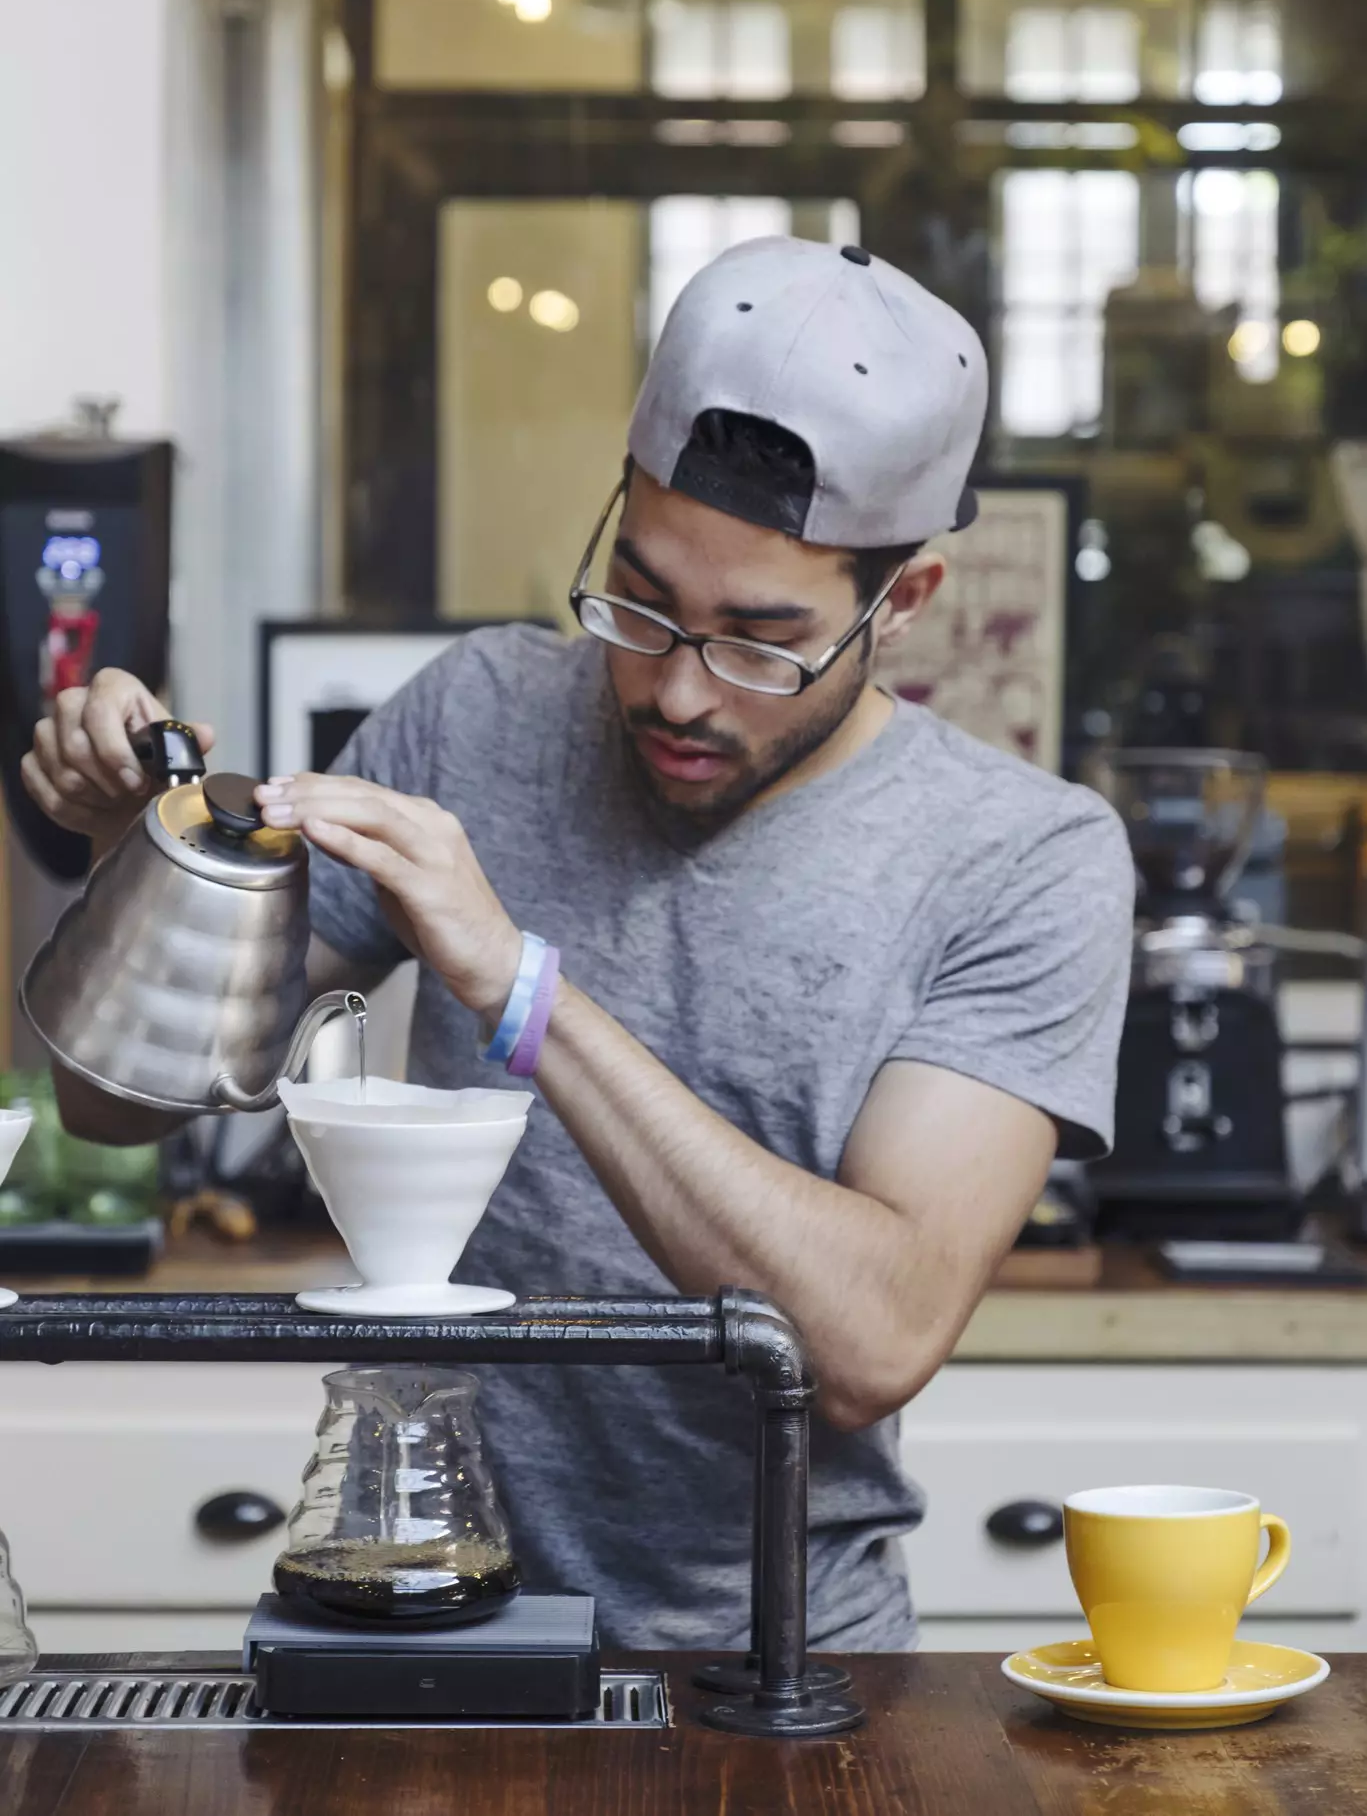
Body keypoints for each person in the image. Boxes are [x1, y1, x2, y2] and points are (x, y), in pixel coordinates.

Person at [22, 236, 1134, 1651]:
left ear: (895, 606)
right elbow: (110, 1107)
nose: (674, 685)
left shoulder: (1020, 856)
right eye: (642, 596)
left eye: (757, 637)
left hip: (775, 1660)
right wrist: (138, 853)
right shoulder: (471, 718)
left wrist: (513, 981)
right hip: (419, 1612)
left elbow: (867, 1338)